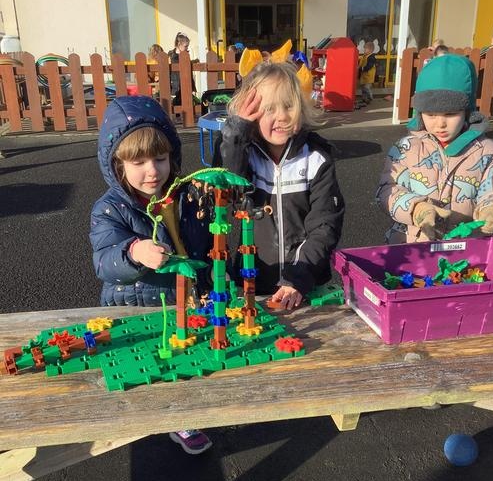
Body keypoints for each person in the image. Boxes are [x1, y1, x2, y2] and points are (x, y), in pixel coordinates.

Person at [90, 95, 212, 455]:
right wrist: (134, 252)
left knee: (183, 356)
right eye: (138, 162)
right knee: (146, 360)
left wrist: (209, 282)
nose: (152, 171)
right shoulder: (110, 209)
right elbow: (104, 261)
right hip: (136, 303)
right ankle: (141, 413)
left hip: (184, 298)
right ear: (117, 165)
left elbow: (202, 248)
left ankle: (182, 417)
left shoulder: (186, 195)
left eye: (160, 158)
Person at [214, 61, 345, 310]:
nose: (282, 116)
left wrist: (298, 278)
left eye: (288, 106)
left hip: (305, 281)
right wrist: (237, 133)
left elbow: (324, 225)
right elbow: (227, 188)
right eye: (269, 109)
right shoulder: (247, 155)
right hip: (255, 278)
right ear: (251, 113)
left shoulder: (316, 159)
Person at [376, 54, 493, 244]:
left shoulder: (488, 151)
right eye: (430, 114)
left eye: (450, 114)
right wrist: (417, 209)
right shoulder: (405, 149)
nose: (440, 124)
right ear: (420, 113)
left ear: (467, 111)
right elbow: (387, 190)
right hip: (412, 245)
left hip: (465, 247)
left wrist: (492, 208)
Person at [168, 32, 197, 106]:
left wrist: (193, 88)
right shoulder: (171, 56)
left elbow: (189, 74)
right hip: (175, 88)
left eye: (187, 46)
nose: (187, 48)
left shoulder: (186, 55)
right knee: (177, 106)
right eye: (185, 46)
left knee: (188, 105)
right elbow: (168, 75)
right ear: (179, 44)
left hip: (187, 87)